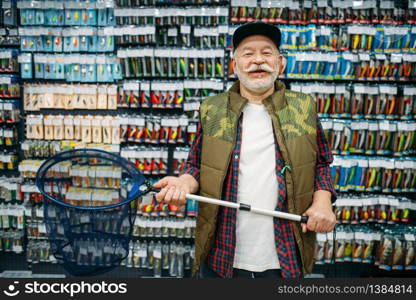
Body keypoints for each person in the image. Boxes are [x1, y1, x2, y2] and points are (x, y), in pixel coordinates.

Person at [154, 21, 337, 279]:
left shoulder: (303, 108)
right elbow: (195, 165)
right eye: (248, 53)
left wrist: (323, 202)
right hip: (222, 253)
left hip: (285, 252)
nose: (258, 60)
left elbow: (321, 164)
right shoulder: (213, 110)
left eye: (267, 52)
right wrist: (183, 183)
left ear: (280, 63)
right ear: (235, 65)